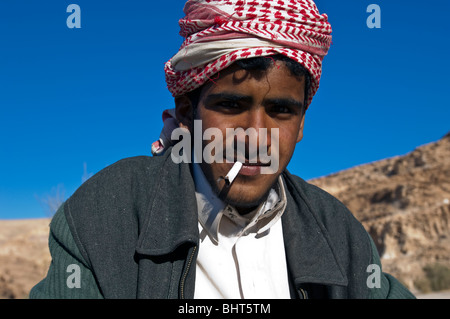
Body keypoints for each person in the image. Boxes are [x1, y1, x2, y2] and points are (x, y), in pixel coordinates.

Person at [30, 0, 415, 299]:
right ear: (187, 113)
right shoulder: (104, 215)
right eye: (231, 105)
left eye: (281, 110)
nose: (255, 135)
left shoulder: (337, 230)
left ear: (300, 126)